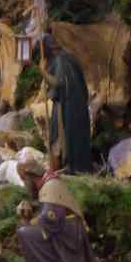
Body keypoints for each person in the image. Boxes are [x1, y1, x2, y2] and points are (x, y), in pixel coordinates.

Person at [15, 152, 115, 262]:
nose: (24, 184)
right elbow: (48, 210)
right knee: (25, 230)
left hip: (67, 232)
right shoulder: (46, 184)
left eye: (23, 179)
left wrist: (30, 220)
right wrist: (30, 211)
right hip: (63, 228)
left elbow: (51, 218)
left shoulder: (51, 185)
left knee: (24, 232)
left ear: (30, 176)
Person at [39, 34, 93, 174]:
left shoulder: (61, 60)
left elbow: (59, 83)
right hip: (72, 104)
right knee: (63, 136)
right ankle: (69, 165)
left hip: (68, 106)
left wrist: (43, 72)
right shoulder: (67, 57)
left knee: (63, 136)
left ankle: (71, 166)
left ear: (47, 49)